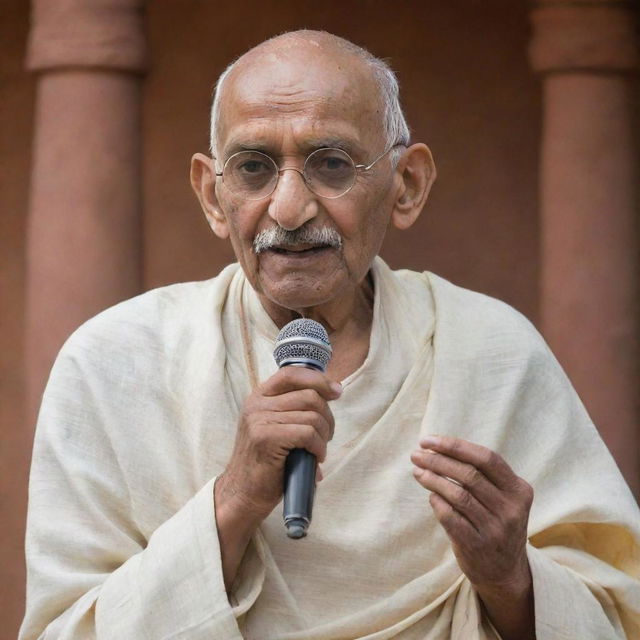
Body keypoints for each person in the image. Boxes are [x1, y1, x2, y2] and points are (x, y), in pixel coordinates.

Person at [19, 30, 640, 640]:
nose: (289, 209)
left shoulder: (493, 351)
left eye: (332, 164)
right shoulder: (116, 362)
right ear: (213, 196)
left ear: (408, 185)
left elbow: (615, 615)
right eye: (254, 168)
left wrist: (512, 580)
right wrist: (232, 504)